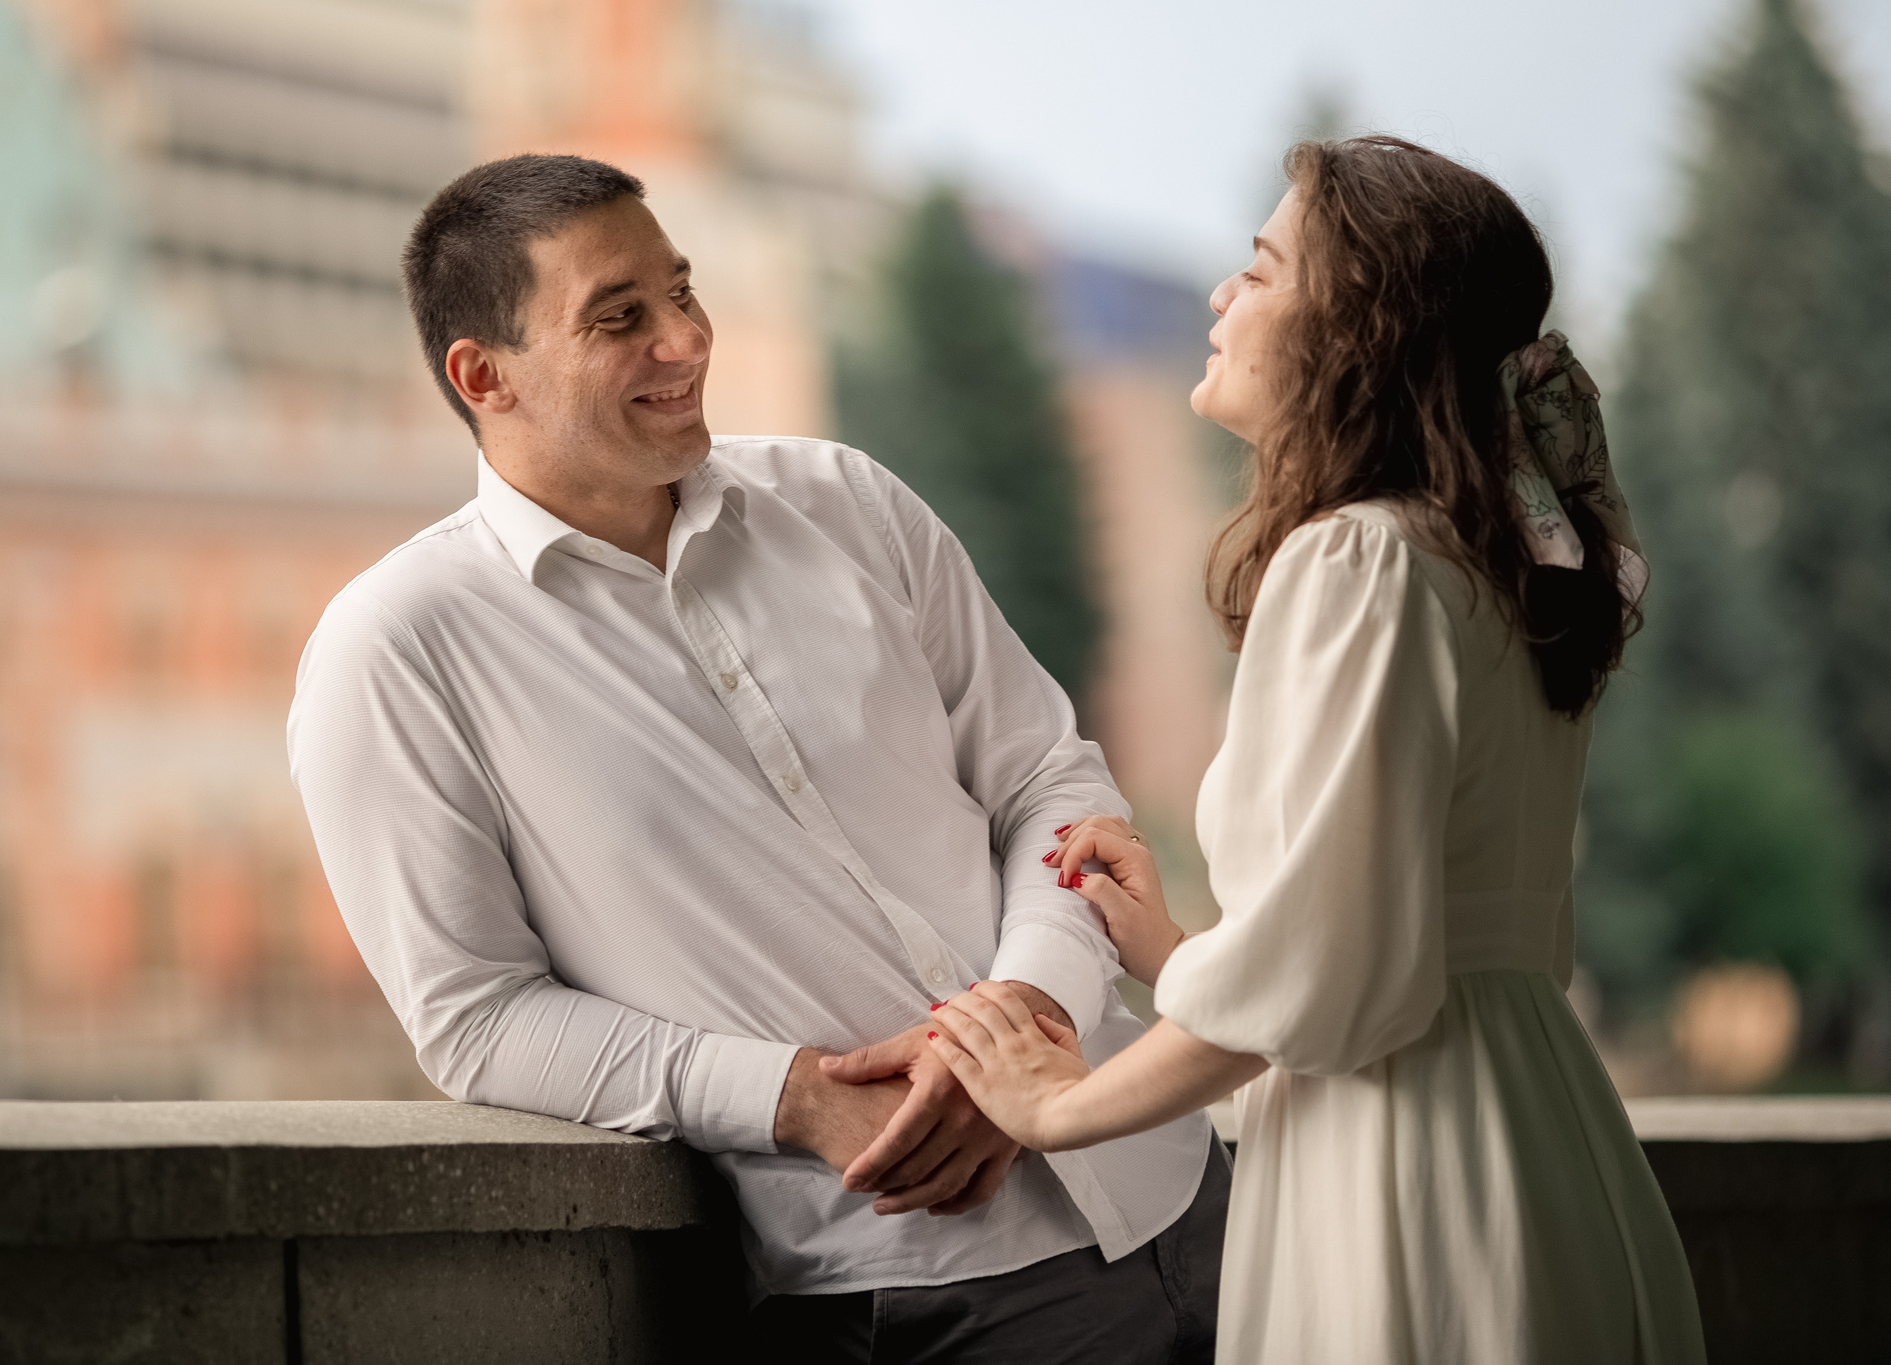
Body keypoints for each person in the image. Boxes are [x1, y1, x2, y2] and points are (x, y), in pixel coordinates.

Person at [288, 153, 1228, 1361]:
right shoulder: (398, 650)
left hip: (1179, 1177)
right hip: (901, 1289)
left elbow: (1045, 777)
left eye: (681, 292)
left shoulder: (848, 501)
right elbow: (475, 1016)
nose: (685, 339)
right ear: (486, 376)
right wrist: (790, 1097)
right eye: (621, 319)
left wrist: (1028, 1011)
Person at [911, 136, 1707, 1363]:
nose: (1224, 299)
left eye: (1263, 271)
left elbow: (1330, 978)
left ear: (1359, 330)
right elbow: (1387, 941)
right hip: (1539, 1133)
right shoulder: (1488, 564)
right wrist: (1183, 958)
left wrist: (1061, 1105)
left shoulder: (1358, 559)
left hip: (1404, 1165)